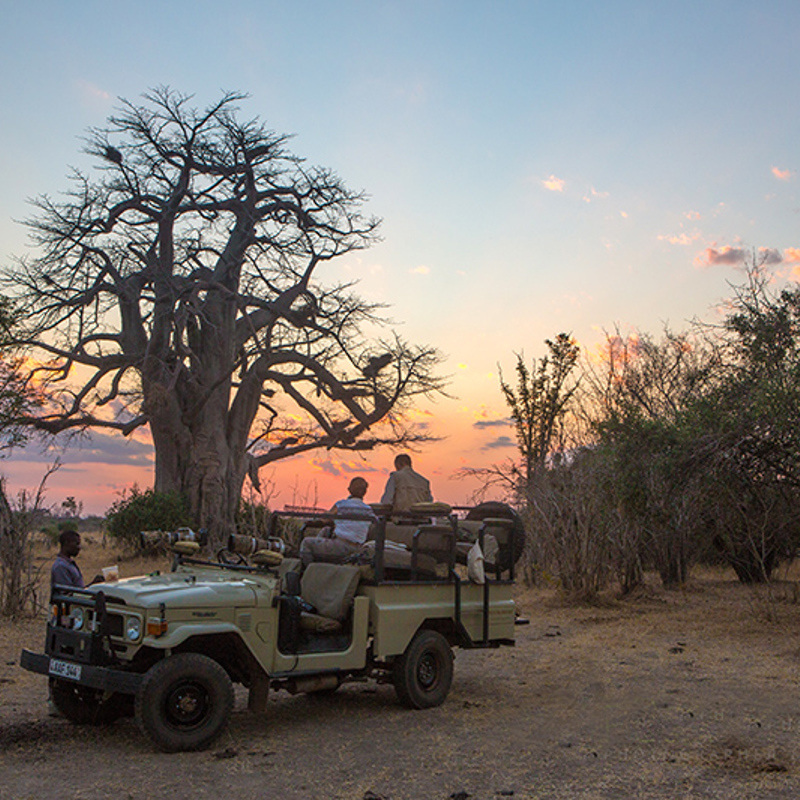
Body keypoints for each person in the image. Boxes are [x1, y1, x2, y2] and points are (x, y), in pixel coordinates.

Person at [299, 477, 375, 565]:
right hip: (358, 548)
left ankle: (308, 571)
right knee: (326, 530)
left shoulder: (341, 505)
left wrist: (310, 522)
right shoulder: (368, 510)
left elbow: (324, 520)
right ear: (365, 492)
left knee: (307, 543)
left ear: (349, 490)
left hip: (340, 547)